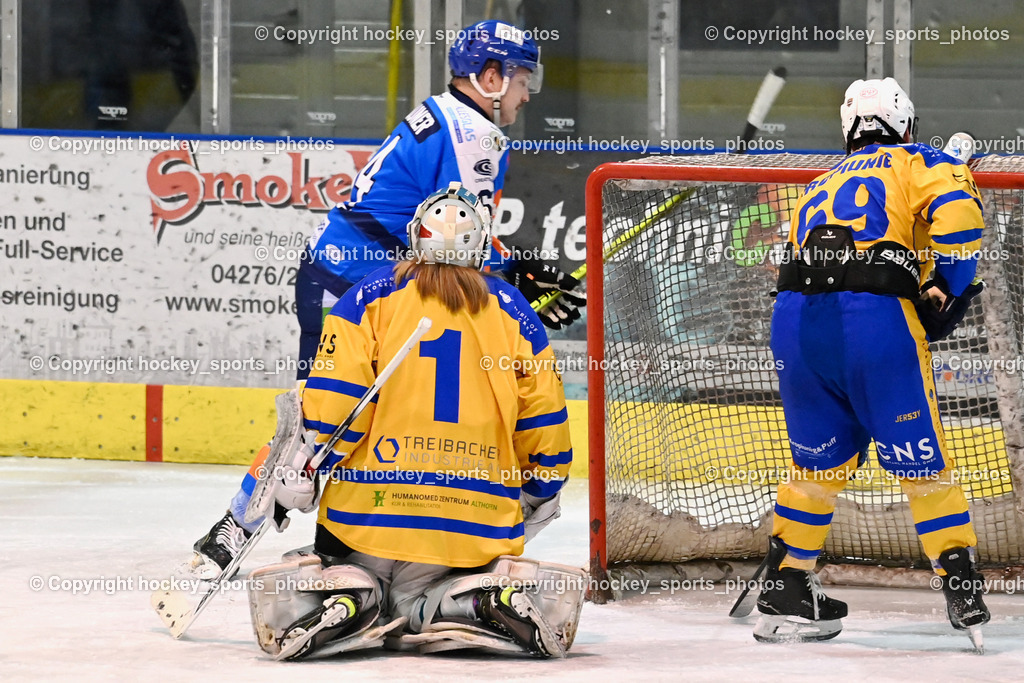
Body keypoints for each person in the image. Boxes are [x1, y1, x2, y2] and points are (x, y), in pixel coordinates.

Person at [184, 19, 585, 577]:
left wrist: (517, 269)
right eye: (522, 80)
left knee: (343, 415)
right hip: (355, 284)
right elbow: (457, 242)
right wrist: (516, 281)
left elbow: (448, 234)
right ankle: (240, 528)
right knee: (326, 417)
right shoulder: (477, 136)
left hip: (338, 273)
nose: (526, 94)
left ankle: (297, 537)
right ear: (490, 76)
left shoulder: (443, 115)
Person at [244, 183, 581, 660]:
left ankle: (350, 594)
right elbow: (546, 429)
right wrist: (541, 492)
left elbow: (335, 410)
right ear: (481, 245)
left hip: (369, 516)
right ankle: (471, 602)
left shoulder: (369, 296)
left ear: (415, 238)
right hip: (472, 524)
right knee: (437, 591)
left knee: (346, 571)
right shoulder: (518, 315)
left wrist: (307, 470)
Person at [754, 78, 989, 645]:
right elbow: (959, 224)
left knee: (817, 469)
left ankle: (786, 582)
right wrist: (947, 290)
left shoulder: (817, 183)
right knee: (920, 464)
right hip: (874, 324)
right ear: (906, 124)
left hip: (794, 328)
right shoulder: (921, 160)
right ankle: (960, 582)